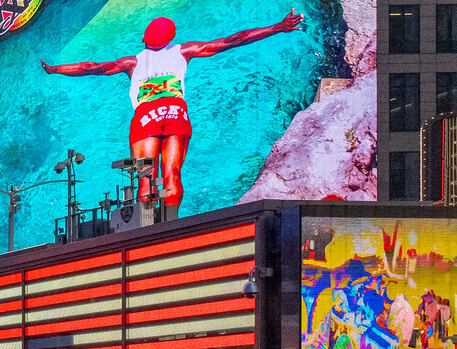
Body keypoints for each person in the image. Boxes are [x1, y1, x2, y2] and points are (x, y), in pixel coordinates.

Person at [40, 11, 304, 216]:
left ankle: (144, 229)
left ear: (145, 38)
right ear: (171, 37)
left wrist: (54, 70)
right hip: (176, 112)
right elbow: (233, 40)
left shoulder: (131, 62)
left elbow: (91, 67)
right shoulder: (184, 51)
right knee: (172, 174)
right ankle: (171, 225)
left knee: (145, 178)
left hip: (147, 116)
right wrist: (278, 27)